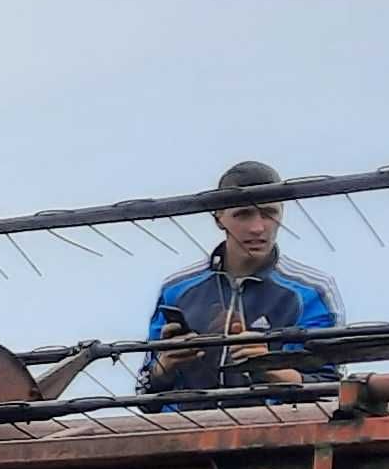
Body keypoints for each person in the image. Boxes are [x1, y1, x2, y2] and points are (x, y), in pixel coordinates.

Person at [142, 159, 340, 394]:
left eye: (269, 213)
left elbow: (331, 389)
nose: (257, 227)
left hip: (273, 426)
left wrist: (268, 367)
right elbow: (144, 391)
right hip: (186, 425)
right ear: (218, 217)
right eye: (243, 214)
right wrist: (165, 366)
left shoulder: (312, 291)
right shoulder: (175, 289)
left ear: (283, 214)